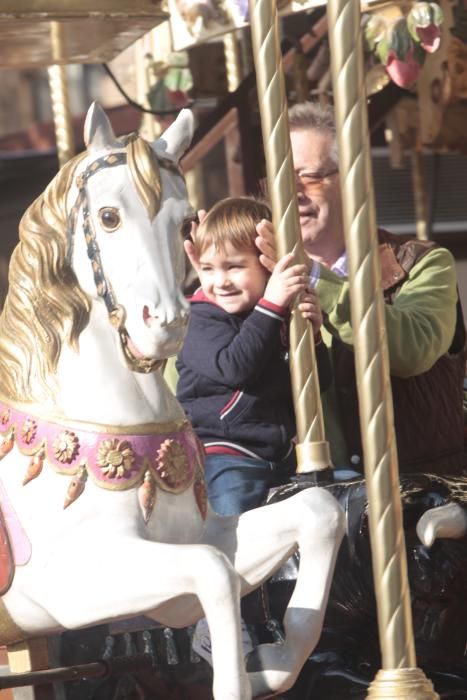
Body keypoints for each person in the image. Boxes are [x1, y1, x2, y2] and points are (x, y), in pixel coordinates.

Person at [256, 100, 467, 476]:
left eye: (309, 178)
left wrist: (318, 281)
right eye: (280, 181)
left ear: (352, 178)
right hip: (312, 500)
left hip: (418, 493)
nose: (294, 194)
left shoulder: (421, 263)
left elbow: (412, 349)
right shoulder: (259, 281)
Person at [176, 196, 332, 516]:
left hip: (282, 456)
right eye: (208, 268)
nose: (220, 281)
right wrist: (272, 305)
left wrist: (312, 337)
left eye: (234, 266)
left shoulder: (269, 317)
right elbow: (234, 367)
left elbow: (319, 386)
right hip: (225, 455)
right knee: (235, 525)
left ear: (267, 267)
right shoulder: (198, 318)